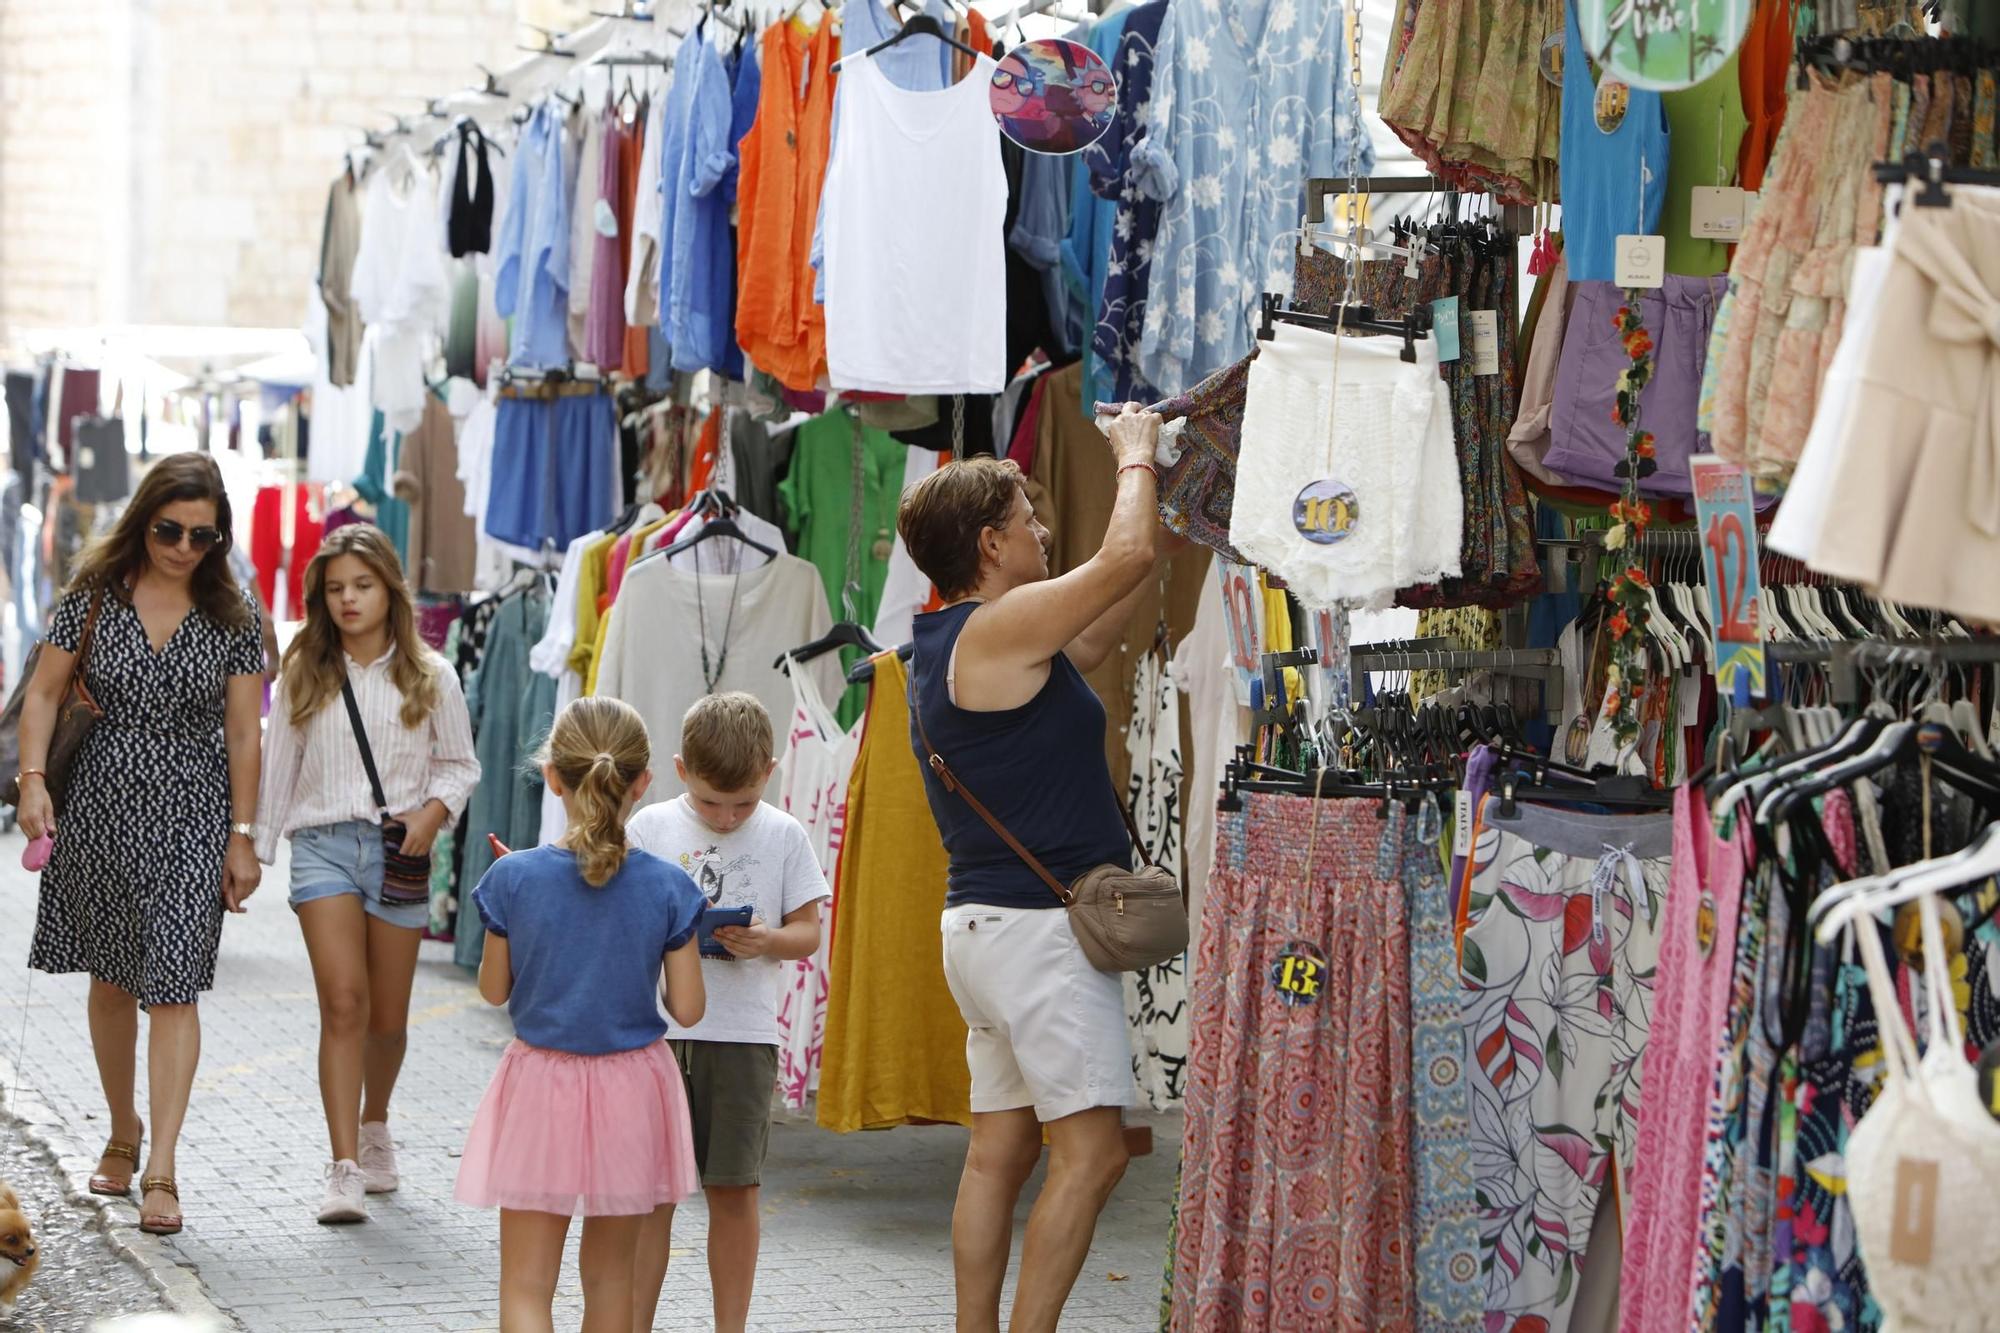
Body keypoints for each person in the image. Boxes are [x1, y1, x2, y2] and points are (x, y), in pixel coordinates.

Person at [895, 406, 1172, 1333]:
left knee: (999, 1153)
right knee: (1092, 1157)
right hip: (1037, 939)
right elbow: (1120, 565)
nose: (1044, 531)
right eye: (1029, 519)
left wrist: (1156, 507)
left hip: (987, 931)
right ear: (989, 542)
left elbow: (1094, 631)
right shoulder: (993, 631)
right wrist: (1135, 458)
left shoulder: (958, 642)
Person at [15, 451, 268, 1237]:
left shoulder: (234, 613)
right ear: (145, 516)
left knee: (174, 984)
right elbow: (46, 692)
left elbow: (242, 730)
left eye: (204, 535)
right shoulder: (92, 596)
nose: (186, 547)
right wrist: (31, 779)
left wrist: (244, 834)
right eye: (171, 529)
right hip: (99, 805)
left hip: (195, 810)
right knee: (114, 979)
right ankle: (121, 1127)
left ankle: (162, 1165)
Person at [454, 696, 707, 1333]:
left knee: (526, 1283)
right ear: (643, 783)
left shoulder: (514, 878)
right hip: (631, 1086)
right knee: (611, 1280)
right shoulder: (670, 887)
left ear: (552, 776)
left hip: (542, 1086)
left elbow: (493, 992)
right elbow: (689, 1009)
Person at [254, 524, 480, 1224]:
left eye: (362, 584)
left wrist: (432, 814)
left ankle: (376, 1122)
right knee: (343, 1002)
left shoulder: (432, 674)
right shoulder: (306, 669)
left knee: (388, 1016)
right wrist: (253, 852)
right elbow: (279, 765)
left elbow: (460, 763)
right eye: (335, 588)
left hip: (400, 851)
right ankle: (343, 1164)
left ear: (389, 588)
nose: (349, 599)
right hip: (321, 845)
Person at [626, 692, 830, 1333]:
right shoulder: (649, 828)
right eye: (711, 801)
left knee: (735, 1190)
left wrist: (767, 940)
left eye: (741, 803)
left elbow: (809, 932)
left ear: (768, 772)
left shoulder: (784, 833)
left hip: (743, 1038)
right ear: (682, 770)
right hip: (653, 1038)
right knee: (651, 1197)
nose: (725, 816)